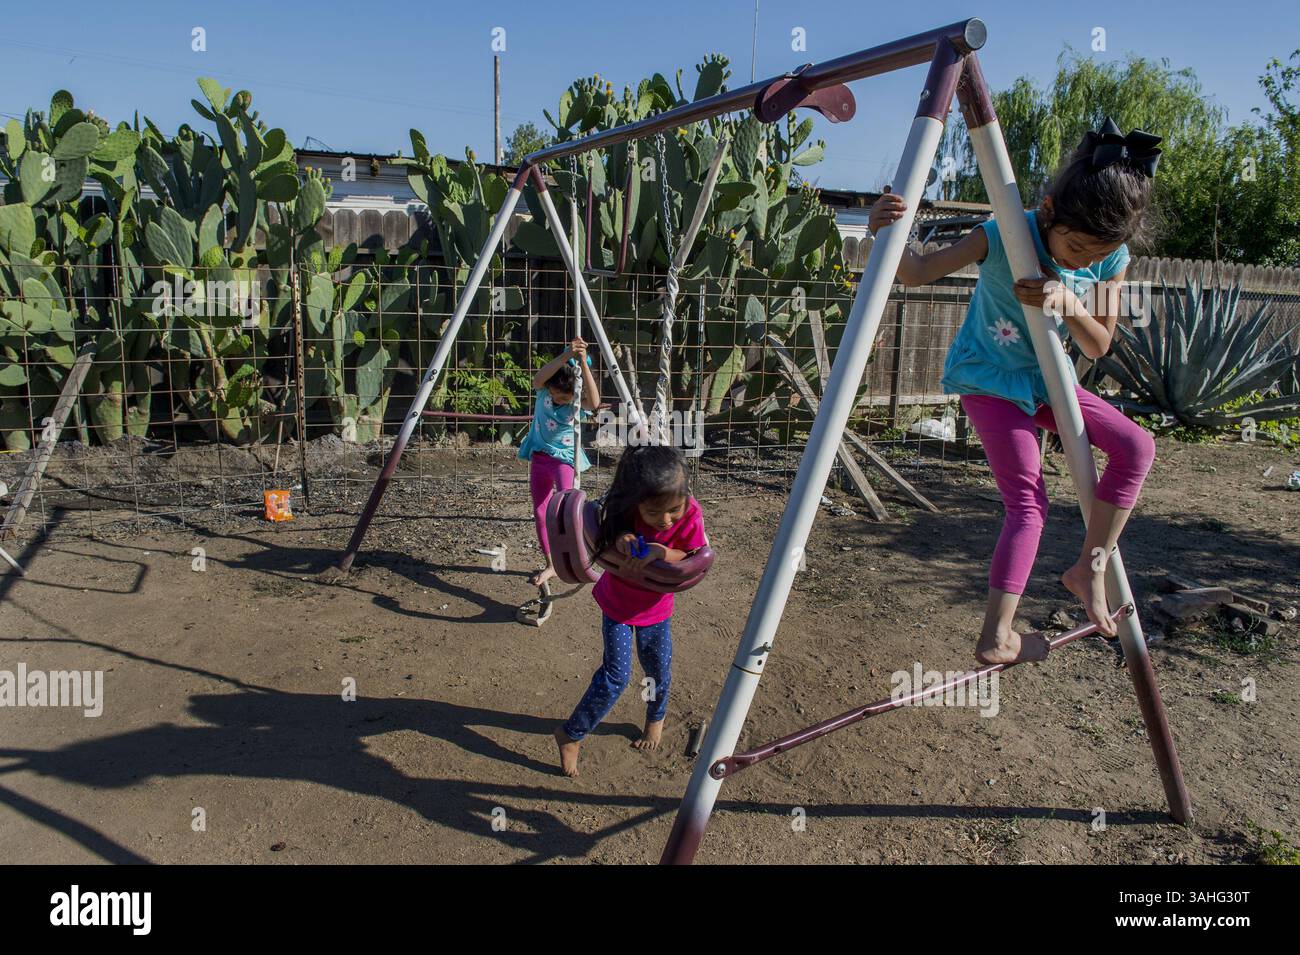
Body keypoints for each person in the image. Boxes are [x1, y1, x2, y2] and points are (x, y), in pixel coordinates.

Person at [869, 118, 1161, 664]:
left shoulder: (1111, 258)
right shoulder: (1006, 233)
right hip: (991, 379)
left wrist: (1068, 300)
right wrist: (887, 228)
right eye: (1075, 248)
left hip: (1050, 381)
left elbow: (1098, 345)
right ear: (1049, 212)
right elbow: (916, 271)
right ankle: (997, 635)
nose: (1085, 262)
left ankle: (1088, 569)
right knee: (1028, 504)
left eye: (1097, 255)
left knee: (1137, 446)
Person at [554, 445, 708, 777]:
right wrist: (622, 538)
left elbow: (695, 555)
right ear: (635, 499)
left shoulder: (691, 514)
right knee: (616, 676)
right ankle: (571, 734)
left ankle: (655, 719)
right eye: (654, 513)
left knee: (657, 668)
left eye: (674, 509)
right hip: (619, 606)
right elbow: (600, 532)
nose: (666, 519)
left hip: (657, 608)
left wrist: (662, 552)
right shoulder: (623, 509)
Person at [519, 338, 599, 588]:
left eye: (563, 399)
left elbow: (594, 403)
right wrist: (566, 355)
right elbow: (540, 377)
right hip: (540, 457)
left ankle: (577, 558)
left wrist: (583, 364)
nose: (557, 400)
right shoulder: (544, 389)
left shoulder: (577, 402)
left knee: (566, 514)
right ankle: (551, 564)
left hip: (564, 460)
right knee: (541, 512)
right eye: (555, 395)